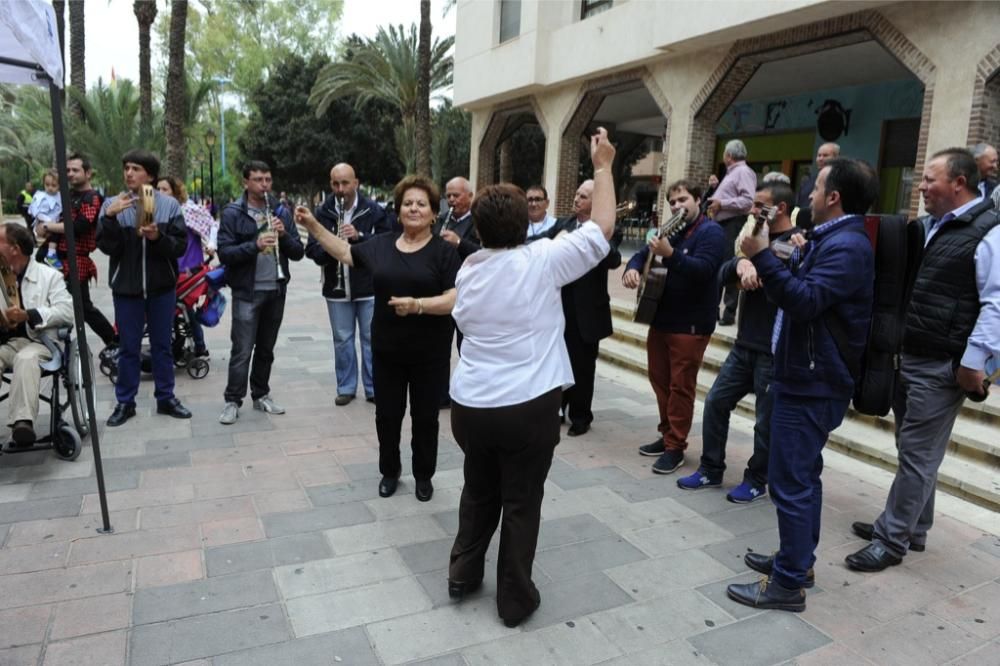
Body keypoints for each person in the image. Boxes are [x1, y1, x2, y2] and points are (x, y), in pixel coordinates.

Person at [446, 128, 618, 629]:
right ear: (527, 223)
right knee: (521, 501)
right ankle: (514, 599)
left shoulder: (469, 271)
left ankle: (462, 572)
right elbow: (603, 226)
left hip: (471, 409)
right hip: (527, 408)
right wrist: (603, 165)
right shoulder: (543, 259)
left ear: (476, 227)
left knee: (478, 490)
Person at [725, 158, 877, 612]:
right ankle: (797, 561)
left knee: (789, 481)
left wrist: (761, 257)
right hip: (804, 373)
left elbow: (806, 301)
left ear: (834, 198)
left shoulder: (847, 246)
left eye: (816, 189)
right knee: (802, 476)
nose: (808, 195)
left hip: (813, 381)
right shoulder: (831, 239)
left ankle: (787, 584)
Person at [845, 148, 1000, 572]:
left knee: (917, 454)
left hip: (943, 364)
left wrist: (974, 363)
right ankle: (914, 528)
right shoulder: (929, 227)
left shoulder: (989, 232)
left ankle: (890, 540)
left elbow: (997, 303)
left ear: (959, 183)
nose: (921, 187)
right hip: (908, 355)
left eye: (930, 179)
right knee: (914, 450)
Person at [296, 175, 460, 502]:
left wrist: (418, 306)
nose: (414, 208)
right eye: (408, 204)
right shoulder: (381, 244)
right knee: (387, 415)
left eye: (421, 204)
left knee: (426, 418)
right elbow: (344, 251)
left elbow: (454, 298)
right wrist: (313, 225)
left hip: (430, 354)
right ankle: (390, 471)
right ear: (398, 211)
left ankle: (423, 475)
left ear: (432, 213)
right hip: (387, 350)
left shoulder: (444, 251)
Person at [676, 182, 802, 502]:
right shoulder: (752, 239)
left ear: (781, 209)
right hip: (744, 344)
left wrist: (755, 261)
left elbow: (782, 271)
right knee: (717, 401)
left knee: (766, 422)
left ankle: (758, 479)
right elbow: (723, 273)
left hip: (773, 350)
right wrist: (741, 262)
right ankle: (710, 468)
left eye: (760, 206)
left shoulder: (797, 242)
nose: (752, 211)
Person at [623, 180, 725, 474]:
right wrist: (632, 267)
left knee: (681, 387)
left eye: (683, 200)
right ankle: (668, 434)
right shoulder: (668, 229)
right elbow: (643, 254)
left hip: (690, 324)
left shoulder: (711, 232)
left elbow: (705, 271)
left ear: (697, 200)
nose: (677, 206)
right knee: (660, 382)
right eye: (673, 202)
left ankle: (675, 447)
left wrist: (671, 254)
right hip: (659, 318)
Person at [97, 149, 192, 427]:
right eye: (126, 168)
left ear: (149, 175)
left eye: (135, 168)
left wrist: (157, 237)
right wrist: (110, 219)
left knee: (163, 346)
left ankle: (166, 398)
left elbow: (179, 247)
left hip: (161, 289)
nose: (129, 173)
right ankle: (125, 403)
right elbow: (107, 247)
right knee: (129, 348)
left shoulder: (169, 206)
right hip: (127, 290)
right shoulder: (112, 204)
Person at [217, 161, 304, 425]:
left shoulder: (280, 210)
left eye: (267, 179)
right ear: (246, 182)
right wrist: (254, 245)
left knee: (266, 348)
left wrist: (283, 234)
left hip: (276, 289)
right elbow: (225, 253)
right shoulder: (233, 213)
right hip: (247, 290)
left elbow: (298, 252)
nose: (264, 184)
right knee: (242, 349)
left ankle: (261, 394)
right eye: (257, 179)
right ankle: (232, 400)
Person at [306, 163, 393, 407]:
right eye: (336, 184)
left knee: (370, 338)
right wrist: (333, 247)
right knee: (342, 339)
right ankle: (345, 387)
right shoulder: (323, 213)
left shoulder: (373, 210)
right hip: (336, 287)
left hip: (368, 287)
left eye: (345, 183)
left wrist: (359, 238)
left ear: (356, 182)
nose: (341, 189)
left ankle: (373, 387)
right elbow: (311, 249)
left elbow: (387, 242)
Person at [551, 179, 621, 436]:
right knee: (559, 361)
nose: (576, 199)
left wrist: (592, 235)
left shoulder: (607, 228)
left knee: (583, 367)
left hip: (588, 313)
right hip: (560, 309)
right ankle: (558, 409)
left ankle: (581, 417)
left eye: (583, 196)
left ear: (595, 203)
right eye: (577, 194)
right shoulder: (563, 225)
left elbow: (613, 259)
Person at [0, 223, 74, 446]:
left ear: (14, 248)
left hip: (40, 341)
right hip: (7, 341)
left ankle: (23, 422)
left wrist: (29, 315)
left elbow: (67, 312)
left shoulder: (49, 276)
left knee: (26, 358)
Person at [51, 153, 119, 359]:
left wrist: (48, 226)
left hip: (76, 259)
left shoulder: (93, 198)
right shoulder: (68, 195)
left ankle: (114, 341)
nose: (70, 174)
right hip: (58, 258)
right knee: (62, 304)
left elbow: (80, 226)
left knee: (82, 307)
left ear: (88, 173)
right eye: (68, 170)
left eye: (75, 170)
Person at [156, 175, 216, 358]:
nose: (160, 193)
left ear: (175, 191)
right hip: (168, 268)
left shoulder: (188, 210)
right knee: (178, 308)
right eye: (157, 189)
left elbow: (212, 225)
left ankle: (198, 345)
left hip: (188, 269)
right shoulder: (157, 212)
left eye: (165, 189)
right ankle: (185, 345)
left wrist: (211, 244)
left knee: (184, 307)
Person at [435, 176, 480, 408]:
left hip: (468, 294)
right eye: (448, 195)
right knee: (441, 347)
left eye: (457, 195)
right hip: (444, 291)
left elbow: (483, 253)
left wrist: (459, 242)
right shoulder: (442, 219)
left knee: (466, 347)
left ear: (470, 196)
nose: (451, 200)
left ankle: (468, 392)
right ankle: (442, 395)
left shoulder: (479, 221)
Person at [706, 139, 757, 325]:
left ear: (728, 155)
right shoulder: (732, 174)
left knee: (729, 264)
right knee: (719, 264)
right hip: (722, 224)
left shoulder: (743, 172)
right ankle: (714, 310)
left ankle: (728, 312)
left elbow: (748, 201)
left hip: (733, 224)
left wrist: (722, 203)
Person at [27, 170, 63, 269]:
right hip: (42, 220)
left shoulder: (60, 196)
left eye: (53, 185)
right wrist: (47, 220)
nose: (50, 188)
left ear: (59, 185)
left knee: (56, 233)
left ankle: (51, 253)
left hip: (54, 222)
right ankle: (51, 254)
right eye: (47, 185)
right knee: (54, 232)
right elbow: (35, 211)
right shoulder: (40, 196)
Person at [796, 142, 840, 209]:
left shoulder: (842, 182)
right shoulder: (807, 183)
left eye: (825, 155)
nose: (820, 159)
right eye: (819, 155)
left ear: (836, 158)